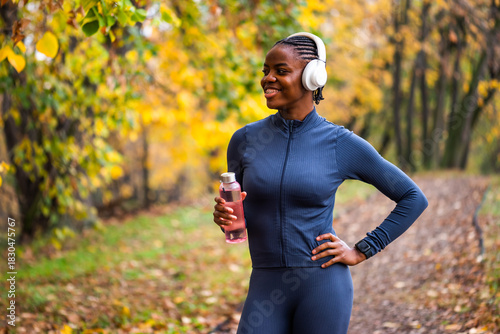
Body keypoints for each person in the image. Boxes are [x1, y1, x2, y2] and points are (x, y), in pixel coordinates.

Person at [212, 32, 428, 334]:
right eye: (265, 71)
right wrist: (225, 218)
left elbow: (412, 197)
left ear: (313, 77)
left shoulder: (340, 143)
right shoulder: (245, 140)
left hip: (323, 285)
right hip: (264, 284)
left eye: (281, 71)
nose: (268, 79)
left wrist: (362, 249)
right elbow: (240, 217)